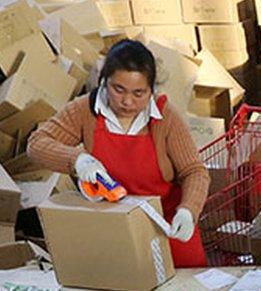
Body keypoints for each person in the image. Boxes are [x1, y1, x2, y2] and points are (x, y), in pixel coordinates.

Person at [27, 39, 210, 267]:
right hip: (115, 231)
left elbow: (195, 171)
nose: (127, 101)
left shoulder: (165, 118)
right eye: (118, 89)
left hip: (168, 229)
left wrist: (188, 211)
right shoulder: (85, 111)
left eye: (139, 93)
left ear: (152, 89)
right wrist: (78, 160)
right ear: (104, 82)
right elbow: (36, 144)